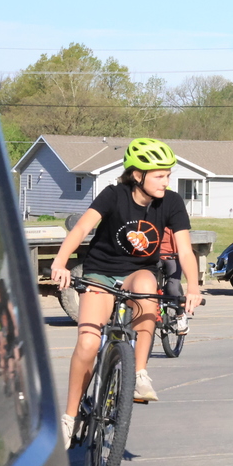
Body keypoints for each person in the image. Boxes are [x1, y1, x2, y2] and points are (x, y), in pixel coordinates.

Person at [50, 138, 203, 445]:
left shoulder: (171, 203)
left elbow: (185, 251)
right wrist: (60, 262)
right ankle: (69, 418)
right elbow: (81, 229)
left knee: (147, 285)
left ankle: (139, 374)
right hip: (101, 272)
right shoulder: (113, 195)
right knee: (88, 344)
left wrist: (194, 287)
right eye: (159, 176)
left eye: (168, 175)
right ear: (137, 175)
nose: (166, 181)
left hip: (138, 272)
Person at [160, 226, 189, 334]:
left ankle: (180, 315)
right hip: (154, 258)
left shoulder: (174, 220)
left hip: (173, 257)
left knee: (172, 288)